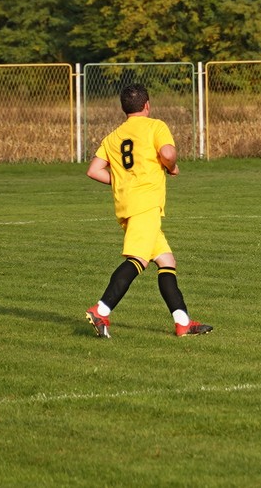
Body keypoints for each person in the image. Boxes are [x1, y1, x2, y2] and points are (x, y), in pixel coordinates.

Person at [84, 84, 212, 338]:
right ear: (147, 105)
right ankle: (101, 309)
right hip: (146, 206)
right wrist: (172, 166)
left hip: (127, 206)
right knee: (138, 259)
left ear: (124, 108)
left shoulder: (113, 137)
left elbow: (94, 170)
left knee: (166, 260)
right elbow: (167, 152)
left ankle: (183, 322)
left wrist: (121, 181)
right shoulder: (155, 126)